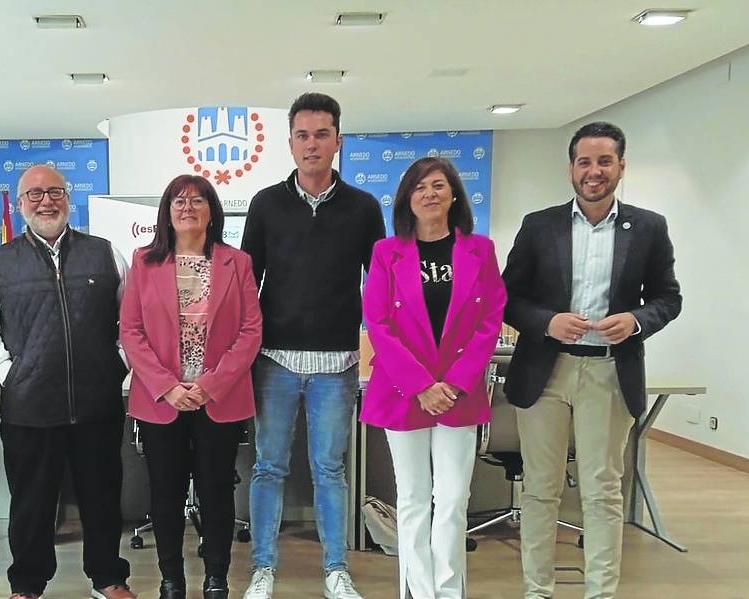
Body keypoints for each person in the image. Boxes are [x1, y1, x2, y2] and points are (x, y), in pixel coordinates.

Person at [502, 122, 682, 599]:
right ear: (570, 169)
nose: (594, 171)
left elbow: (668, 297)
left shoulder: (648, 227)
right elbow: (507, 297)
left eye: (604, 161)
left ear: (621, 166)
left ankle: (600, 592)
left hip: (608, 370)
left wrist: (637, 320)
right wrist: (545, 322)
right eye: (584, 162)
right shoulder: (538, 225)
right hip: (545, 370)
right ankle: (537, 590)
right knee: (540, 490)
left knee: (602, 492)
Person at [240, 92, 385, 599]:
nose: (312, 144)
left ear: (338, 141)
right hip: (274, 362)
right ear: (290, 143)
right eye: (302, 135)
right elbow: (245, 284)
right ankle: (263, 569)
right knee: (268, 466)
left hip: (337, 366)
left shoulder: (364, 208)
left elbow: (383, 285)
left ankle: (335, 570)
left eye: (322, 134)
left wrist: (382, 349)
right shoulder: (265, 204)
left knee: (330, 470)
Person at [0, 164, 136, 599]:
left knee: (102, 498)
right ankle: (27, 584)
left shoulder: (105, 253)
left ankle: (108, 579)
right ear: (21, 204)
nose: (47, 200)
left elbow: (131, 321)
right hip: (30, 406)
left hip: (96, 403)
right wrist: (11, 374)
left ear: (68, 199)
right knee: (31, 505)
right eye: (35, 194)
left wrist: (116, 363)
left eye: (55, 192)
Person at [360, 157, 505, 599]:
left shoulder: (480, 250)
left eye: (439, 185)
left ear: (454, 195)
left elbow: (490, 319)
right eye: (420, 187)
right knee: (413, 500)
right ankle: (419, 592)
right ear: (407, 198)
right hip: (405, 390)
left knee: (454, 501)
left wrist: (455, 382)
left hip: (458, 392)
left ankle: (448, 590)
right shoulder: (387, 252)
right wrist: (421, 384)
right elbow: (378, 322)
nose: (430, 194)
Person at [120, 175, 262, 599]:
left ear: (212, 211)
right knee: (165, 492)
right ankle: (171, 579)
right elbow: (131, 330)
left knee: (218, 491)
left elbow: (251, 330)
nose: (188, 207)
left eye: (198, 200)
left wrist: (210, 385)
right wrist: (167, 386)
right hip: (162, 401)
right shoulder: (144, 261)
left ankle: (216, 577)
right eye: (179, 200)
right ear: (166, 211)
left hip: (218, 399)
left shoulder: (236, 262)